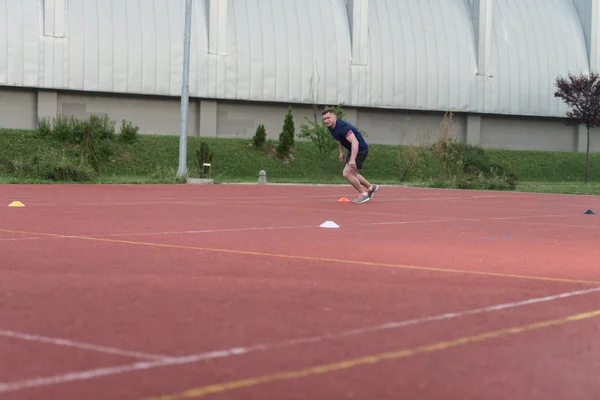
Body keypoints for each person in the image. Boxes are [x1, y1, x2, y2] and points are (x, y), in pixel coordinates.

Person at [322, 108, 378, 203]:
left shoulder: (343, 127)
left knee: (346, 173)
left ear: (334, 116)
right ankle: (371, 187)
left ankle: (364, 195)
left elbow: (355, 142)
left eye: (328, 118)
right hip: (352, 149)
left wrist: (352, 160)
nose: (326, 121)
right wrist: (341, 152)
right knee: (353, 174)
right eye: (324, 119)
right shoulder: (331, 127)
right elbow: (339, 138)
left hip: (360, 150)